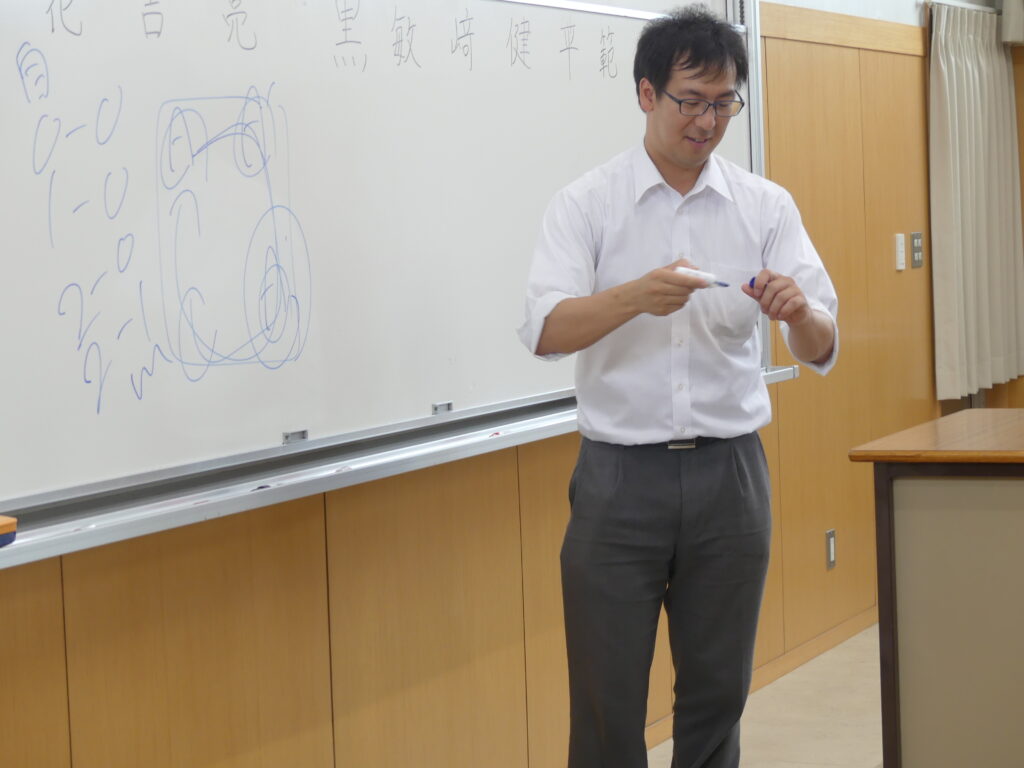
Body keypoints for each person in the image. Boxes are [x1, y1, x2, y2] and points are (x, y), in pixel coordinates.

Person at [517, 5, 839, 767]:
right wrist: (634, 296)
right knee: (606, 699)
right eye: (690, 100)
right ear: (645, 93)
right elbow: (545, 330)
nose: (707, 121)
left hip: (731, 475)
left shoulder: (765, 206)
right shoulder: (587, 203)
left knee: (719, 693)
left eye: (724, 103)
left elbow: (822, 345)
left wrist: (799, 314)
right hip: (619, 480)